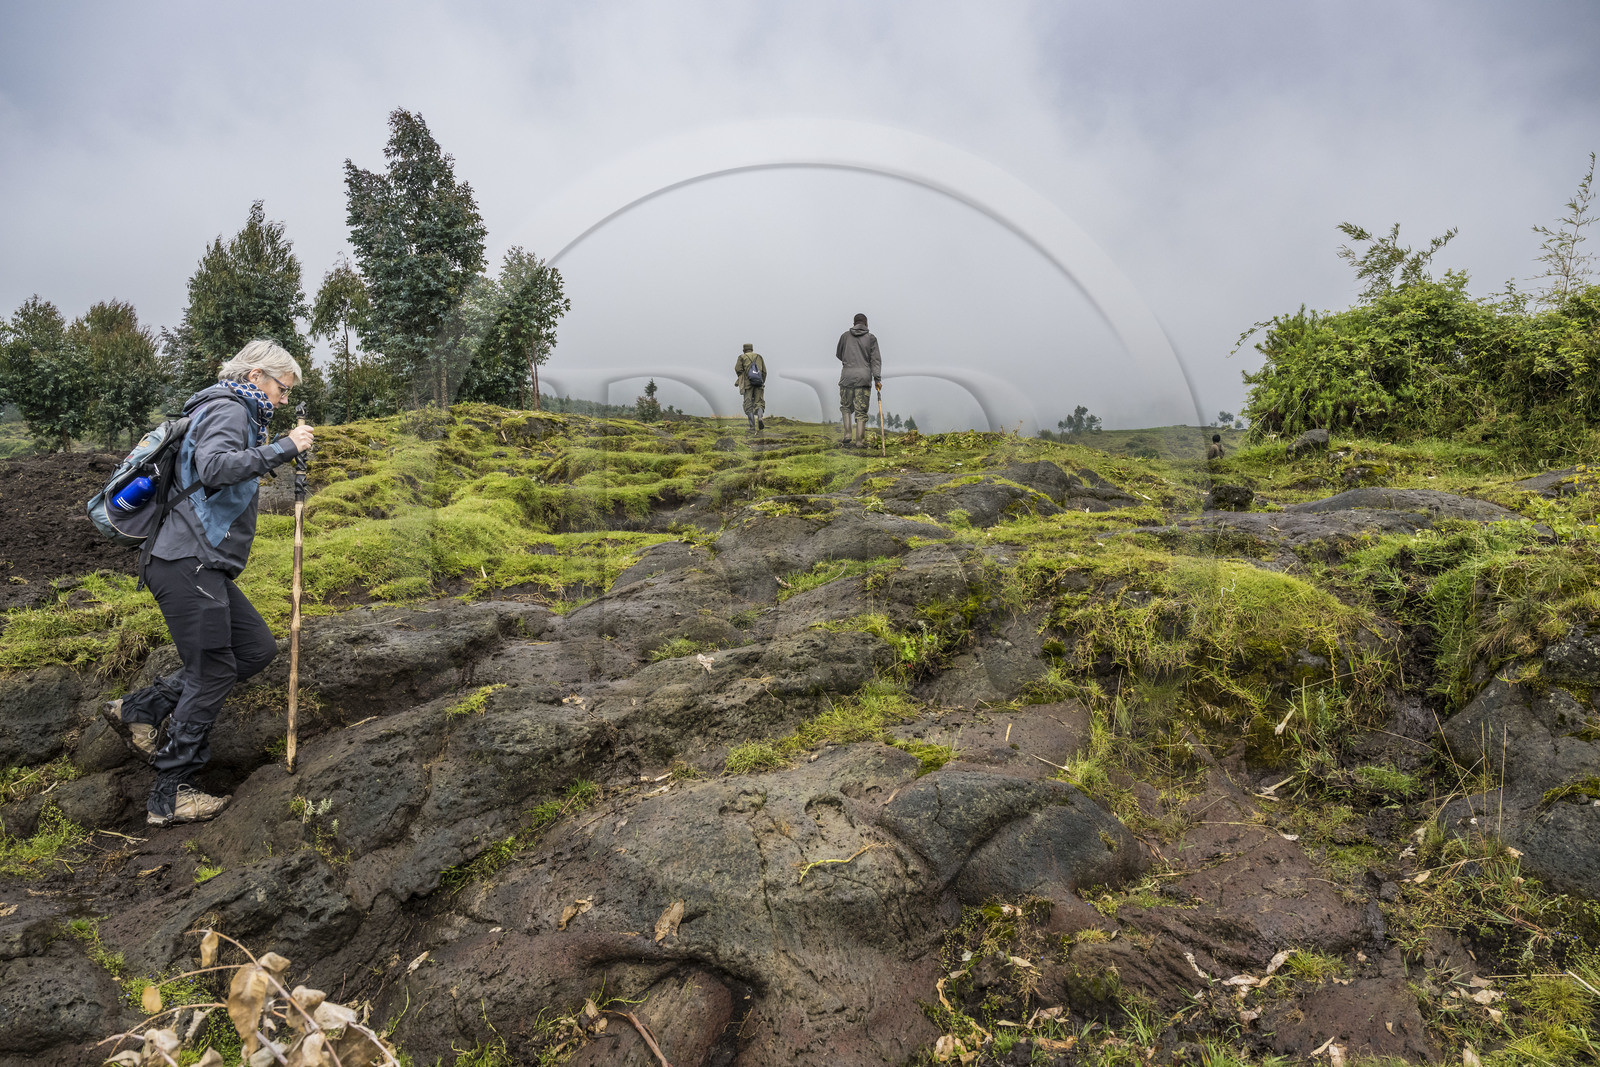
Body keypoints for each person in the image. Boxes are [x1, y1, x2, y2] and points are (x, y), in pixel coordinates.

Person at [103, 339, 315, 827]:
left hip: (197, 563)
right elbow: (215, 468)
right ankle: (170, 794)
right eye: (282, 388)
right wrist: (286, 447)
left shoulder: (225, 408)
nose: (284, 399)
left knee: (255, 648)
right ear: (257, 375)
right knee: (214, 671)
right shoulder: (229, 408)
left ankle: (140, 709)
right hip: (186, 560)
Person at [835, 313, 880, 447]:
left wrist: (848, 361)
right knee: (861, 410)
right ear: (866, 324)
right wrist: (877, 379)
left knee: (846, 407)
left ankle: (847, 435)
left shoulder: (844, 336)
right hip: (863, 379)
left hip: (847, 377)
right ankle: (860, 441)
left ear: (854, 323)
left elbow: (839, 354)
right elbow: (875, 361)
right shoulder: (871, 338)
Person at [734, 343, 766, 431]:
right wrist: (761, 382)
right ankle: (760, 418)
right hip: (759, 383)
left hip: (747, 384)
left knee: (748, 404)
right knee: (759, 402)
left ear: (744, 350)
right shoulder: (759, 356)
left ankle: (752, 427)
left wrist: (742, 379)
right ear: (752, 349)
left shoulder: (742, 357)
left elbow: (738, 369)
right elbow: (764, 372)